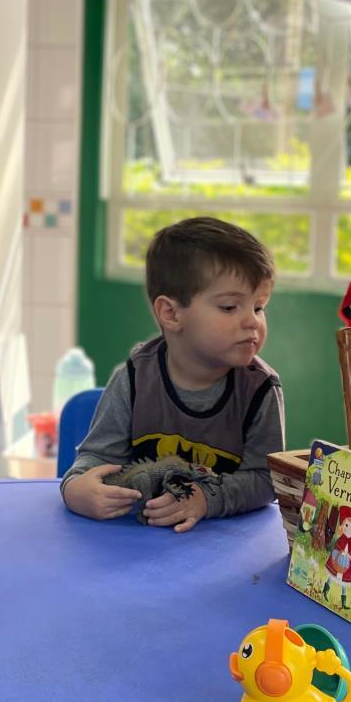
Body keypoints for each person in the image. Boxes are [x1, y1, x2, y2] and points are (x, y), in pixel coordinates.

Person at [61, 217, 285, 533]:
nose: (252, 322)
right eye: (230, 307)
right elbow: (95, 459)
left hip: (220, 551)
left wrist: (206, 500)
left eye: (259, 307)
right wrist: (76, 491)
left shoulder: (260, 390)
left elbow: (264, 480)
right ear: (171, 313)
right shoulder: (134, 378)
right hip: (130, 549)